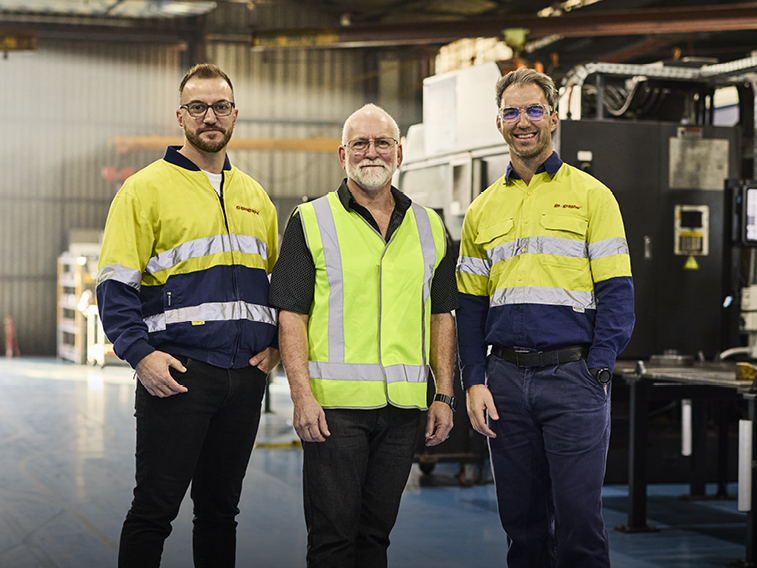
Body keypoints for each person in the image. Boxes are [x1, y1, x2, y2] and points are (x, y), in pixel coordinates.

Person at [96, 63, 279, 568]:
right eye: (198, 107)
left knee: (220, 513)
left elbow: (277, 285)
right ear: (180, 116)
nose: (210, 117)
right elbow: (114, 285)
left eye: (220, 107)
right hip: (177, 376)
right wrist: (141, 357)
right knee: (153, 511)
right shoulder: (144, 189)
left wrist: (277, 349)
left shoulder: (255, 196)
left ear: (235, 114)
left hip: (244, 379)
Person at [456, 68, 634, 568]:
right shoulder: (481, 210)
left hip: (573, 379)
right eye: (512, 112)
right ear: (499, 122)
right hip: (505, 383)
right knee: (523, 526)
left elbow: (618, 293)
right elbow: (470, 306)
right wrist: (474, 380)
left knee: (580, 525)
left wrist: (598, 367)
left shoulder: (593, 196)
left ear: (553, 118)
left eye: (534, 110)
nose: (523, 121)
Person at [269, 104, 459, 568]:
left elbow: (442, 315)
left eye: (382, 143)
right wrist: (301, 396)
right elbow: (291, 315)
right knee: (333, 540)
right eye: (360, 144)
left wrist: (444, 395)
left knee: (375, 537)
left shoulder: (430, 226)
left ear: (399, 152)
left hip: (403, 411)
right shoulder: (311, 220)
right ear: (343, 155)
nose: (371, 152)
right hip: (334, 410)